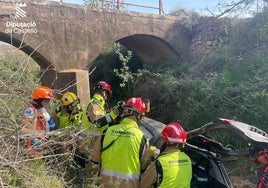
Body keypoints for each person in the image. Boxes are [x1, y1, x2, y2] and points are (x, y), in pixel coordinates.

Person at [91, 97, 151, 188]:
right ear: (139, 116)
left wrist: (95, 181)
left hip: (105, 184)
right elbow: (144, 166)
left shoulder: (107, 132)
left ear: (124, 112)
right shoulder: (142, 138)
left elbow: (95, 159)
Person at [140, 122, 192, 188]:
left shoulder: (159, 163)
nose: (161, 142)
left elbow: (142, 185)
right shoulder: (187, 159)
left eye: (162, 139)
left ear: (166, 142)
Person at [20, 85, 56, 158]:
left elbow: (46, 119)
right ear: (40, 99)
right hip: (33, 145)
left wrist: (50, 122)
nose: (48, 102)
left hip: (43, 142)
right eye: (47, 100)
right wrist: (34, 140)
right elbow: (25, 128)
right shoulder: (30, 110)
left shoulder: (42, 108)